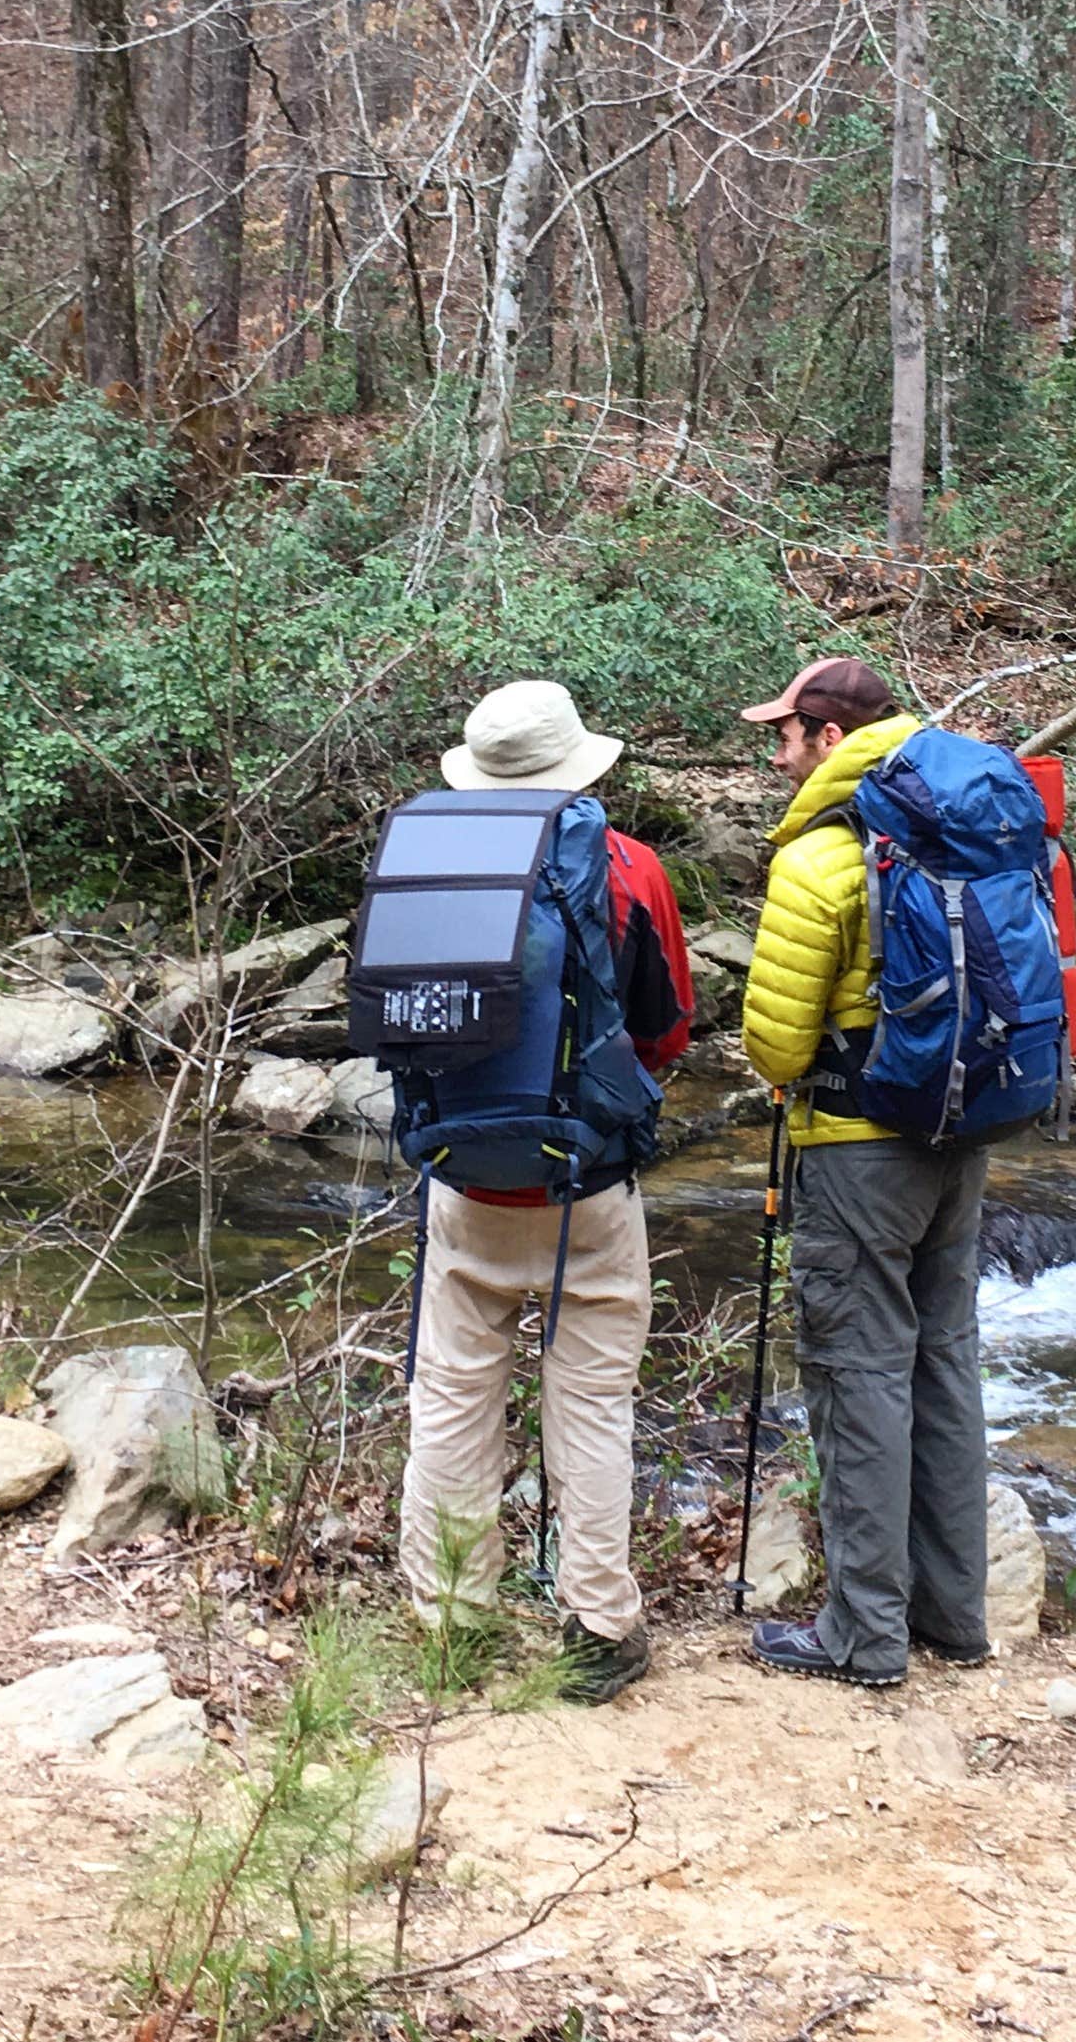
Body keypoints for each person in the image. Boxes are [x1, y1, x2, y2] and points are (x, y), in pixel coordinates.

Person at [395, 679, 693, 1704]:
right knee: (593, 1405)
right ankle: (598, 1628)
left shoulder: (423, 864)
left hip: (461, 1180)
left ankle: (447, 1622)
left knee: (451, 1396)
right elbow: (665, 1029)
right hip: (587, 1188)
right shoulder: (626, 868)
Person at [735, 656, 994, 1686]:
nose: (776, 752)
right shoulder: (962, 821)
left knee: (859, 1377)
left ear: (831, 741)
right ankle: (953, 1616)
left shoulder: (823, 856)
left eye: (787, 734)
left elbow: (778, 1047)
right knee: (944, 1365)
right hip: (962, 1138)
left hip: (856, 1153)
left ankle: (862, 1635)